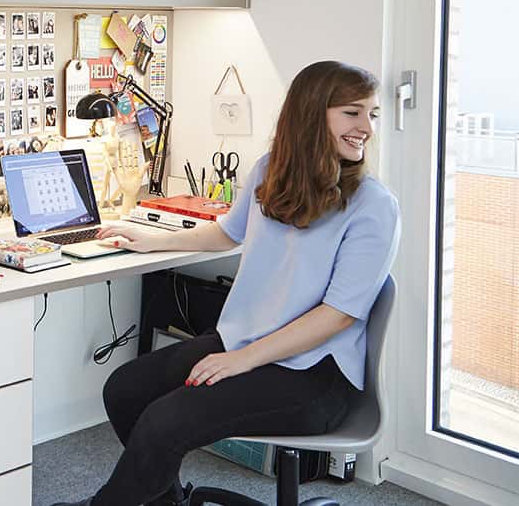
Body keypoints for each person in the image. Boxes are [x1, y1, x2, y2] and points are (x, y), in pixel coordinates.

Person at [51, 61, 400, 506]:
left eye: (372, 114)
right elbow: (226, 233)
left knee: (165, 422)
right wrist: (152, 240)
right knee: (124, 389)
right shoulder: (270, 170)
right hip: (245, 343)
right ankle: (165, 502)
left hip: (315, 375)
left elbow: (338, 316)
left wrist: (241, 361)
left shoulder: (374, 206)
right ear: (312, 114)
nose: (366, 127)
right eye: (352, 113)